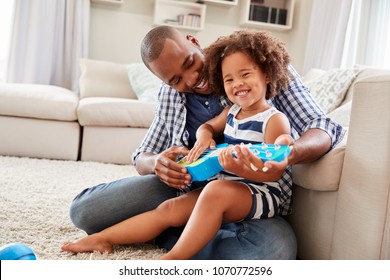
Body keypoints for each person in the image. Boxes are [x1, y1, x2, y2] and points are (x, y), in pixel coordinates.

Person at [66, 25, 346, 259]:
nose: (192, 79)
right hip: (186, 189)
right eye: (176, 79)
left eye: (190, 63)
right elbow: (143, 154)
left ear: (194, 41)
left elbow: (321, 126)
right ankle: (179, 229)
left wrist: (290, 152)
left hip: (247, 195)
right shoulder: (171, 96)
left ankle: (176, 237)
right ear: (163, 82)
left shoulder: (252, 67)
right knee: (85, 212)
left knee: (275, 250)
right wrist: (156, 164)